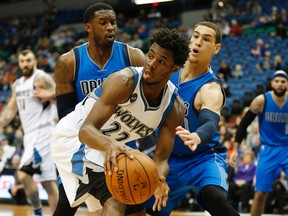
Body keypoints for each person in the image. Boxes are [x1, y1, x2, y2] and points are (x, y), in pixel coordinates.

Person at [51, 27, 190, 215]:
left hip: (107, 147)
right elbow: (86, 131)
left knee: (137, 208)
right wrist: (110, 144)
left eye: (161, 61)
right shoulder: (124, 81)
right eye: (150, 56)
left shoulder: (174, 108)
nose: (152, 63)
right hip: (74, 139)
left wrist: (159, 178)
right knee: (117, 197)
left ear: (175, 68)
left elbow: (162, 158)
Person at [53, 3, 145, 215]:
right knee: (66, 206)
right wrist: (98, 137)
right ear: (89, 27)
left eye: (113, 22)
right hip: (83, 142)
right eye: (103, 23)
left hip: (122, 144)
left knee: (135, 209)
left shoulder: (133, 57)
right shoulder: (69, 62)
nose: (110, 27)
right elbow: (65, 115)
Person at [144, 21, 240, 216]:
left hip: (202, 157)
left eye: (206, 39)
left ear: (216, 48)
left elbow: (210, 123)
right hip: (168, 158)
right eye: (196, 36)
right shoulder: (168, 71)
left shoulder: (210, 89)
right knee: (144, 207)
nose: (198, 42)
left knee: (213, 196)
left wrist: (197, 136)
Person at [0, 49, 59, 216]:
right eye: (22, 61)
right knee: (48, 182)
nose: (25, 64)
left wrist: (51, 94)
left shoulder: (41, 78)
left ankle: (38, 211)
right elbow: (11, 110)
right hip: (30, 136)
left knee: (24, 174)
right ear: (18, 63)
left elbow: (62, 95)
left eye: (28, 60)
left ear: (35, 61)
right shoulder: (17, 84)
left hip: (44, 131)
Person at [229, 70, 288, 216]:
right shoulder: (262, 100)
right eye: (277, 81)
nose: (280, 84)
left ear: (287, 84)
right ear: (272, 83)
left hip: (287, 148)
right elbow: (243, 124)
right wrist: (236, 149)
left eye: (283, 81)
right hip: (268, 150)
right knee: (260, 193)